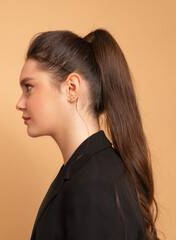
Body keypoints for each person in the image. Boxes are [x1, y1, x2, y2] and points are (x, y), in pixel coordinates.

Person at [16, 29, 159, 240]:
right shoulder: (83, 172)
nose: (19, 104)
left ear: (71, 88)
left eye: (29, 87)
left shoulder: (95, 184)